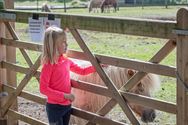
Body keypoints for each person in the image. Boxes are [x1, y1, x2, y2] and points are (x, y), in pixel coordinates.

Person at [40, 26, 96, 125]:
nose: (67, 44)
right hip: (54, 107)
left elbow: (82, 71)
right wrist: (64, 96)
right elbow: (43, 89)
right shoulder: (48, 65)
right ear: (53, 45)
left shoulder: (66, 60)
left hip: (67, 105)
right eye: (63, 42)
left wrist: (96, 67)